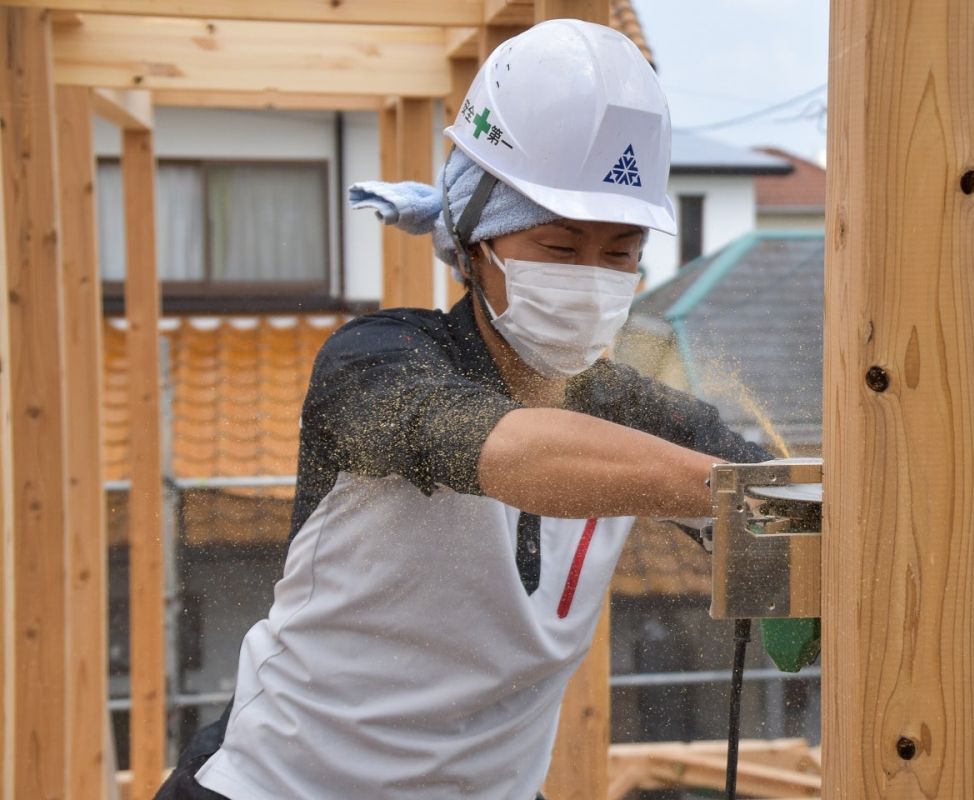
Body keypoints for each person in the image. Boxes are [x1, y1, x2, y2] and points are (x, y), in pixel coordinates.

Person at [156, 19, 769, 800]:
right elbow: (510, 452)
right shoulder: (378, 365)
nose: (593, 276)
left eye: (620, 253)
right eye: (559, 247)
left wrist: (794, 525)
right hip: (279, 785)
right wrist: (731, 492)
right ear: (478, 240)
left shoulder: (629, 409)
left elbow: (762, 489)